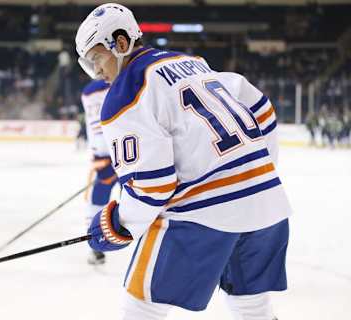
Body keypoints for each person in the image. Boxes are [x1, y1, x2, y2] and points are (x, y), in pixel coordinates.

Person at [75, 3, 292, 320]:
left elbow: (153, 188)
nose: (97, 72)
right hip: (268, 205)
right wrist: (256, 170)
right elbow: (261, 109)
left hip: (203, 215)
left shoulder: (127, 92)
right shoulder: (193, 63)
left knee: (141, 307)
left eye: (97, 58)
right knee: (252, 308)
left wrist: (117, 226)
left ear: (121, 43)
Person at [80, 79, 118, 264]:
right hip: (121, 154)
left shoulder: (88, 91)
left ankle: (95, 247)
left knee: (96, 201)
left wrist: (97, 153)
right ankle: (95, 246)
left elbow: (94, 129)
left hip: (107, 156)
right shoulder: (122, 83)